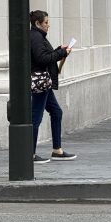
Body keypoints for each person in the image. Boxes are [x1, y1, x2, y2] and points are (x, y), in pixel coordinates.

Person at [30, 10, 76, 163]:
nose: (48, 25)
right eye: (46, 22)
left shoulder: (39, 36)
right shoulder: (36, 37)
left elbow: (46, 56)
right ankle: (29, 153)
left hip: (45, 82)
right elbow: (42, 59)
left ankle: (57, 150)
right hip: (40, 82)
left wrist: (59, 50)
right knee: (35, 118)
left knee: (56, 112)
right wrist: (60, 52)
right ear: (38, 23)